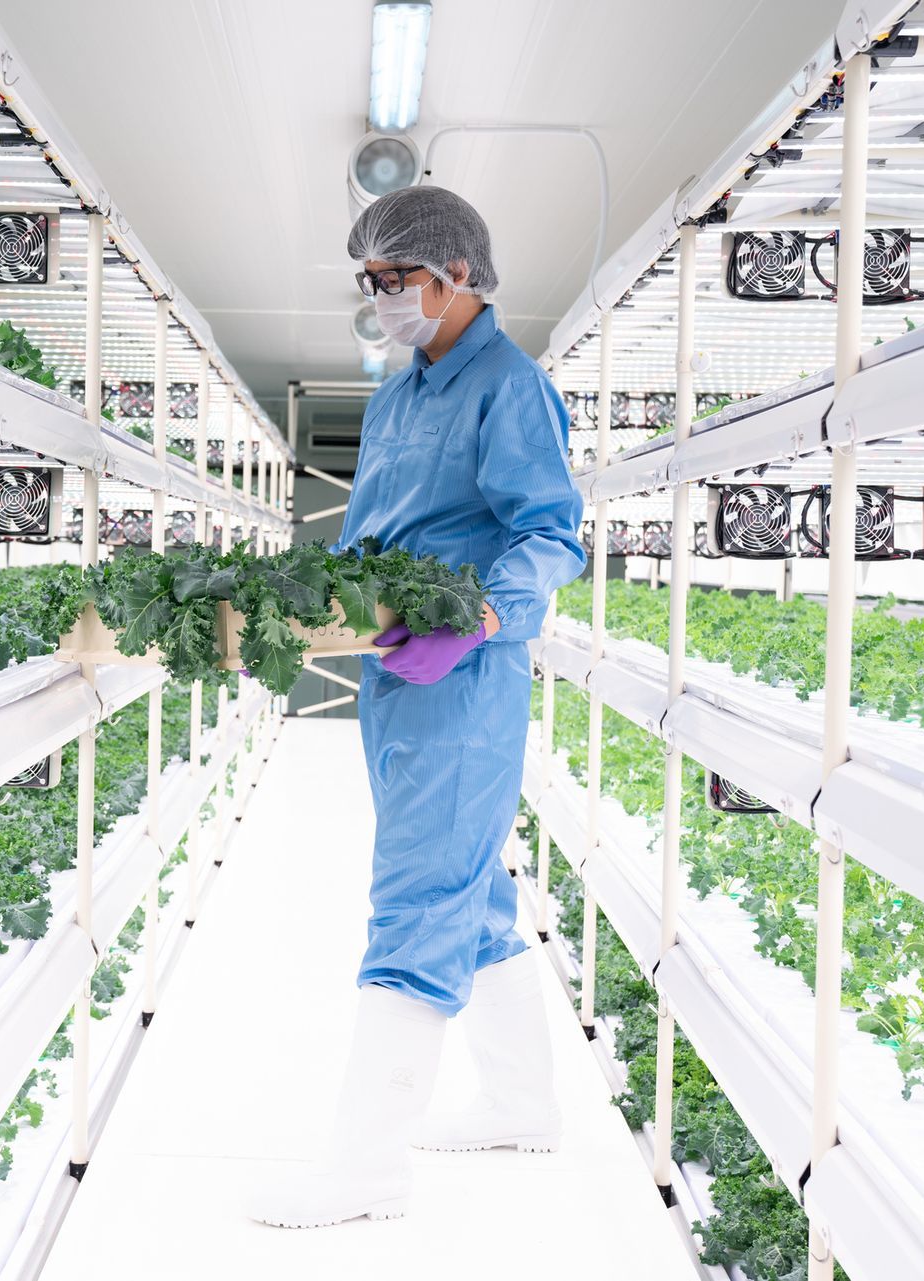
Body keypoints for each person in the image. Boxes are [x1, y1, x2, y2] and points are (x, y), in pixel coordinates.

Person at [247, 185, 587, 1229]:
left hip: (466, 677)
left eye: (399, 280)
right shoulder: (401, 393)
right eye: (374, 282)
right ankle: (525, 1106)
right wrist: (300, 609)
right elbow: (368, 534)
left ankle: (365, 1167)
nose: (384, 299)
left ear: (460, 277)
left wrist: (482, 618)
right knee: (469, 891)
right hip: (396, 677)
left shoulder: (510, 387)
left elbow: (552, 534)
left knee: (417, 901)